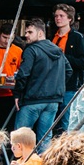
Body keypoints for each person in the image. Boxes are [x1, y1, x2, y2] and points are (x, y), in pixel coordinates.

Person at [11, 19, 68, 148]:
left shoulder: (31, 50)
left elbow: (23, 74)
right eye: (26, 32)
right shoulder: (58, 50)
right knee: (45, 138)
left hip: (33, 99)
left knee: (20, 137)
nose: (26, 35)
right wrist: (56, 85)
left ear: (41, 33)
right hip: (53, 100)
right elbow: (68, 71)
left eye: (30, 32)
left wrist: (17, 94)